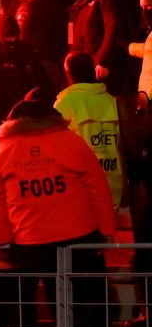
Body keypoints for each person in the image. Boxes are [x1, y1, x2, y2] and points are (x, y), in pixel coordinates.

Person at [0, 100, 116, 327]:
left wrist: (3, 238)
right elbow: (98, 185)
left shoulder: (3, 150)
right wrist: (106, 231)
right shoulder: (72, 142)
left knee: (22, 311)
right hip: (75, 238)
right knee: (69, 310)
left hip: (27, 241)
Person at [55, 51, 127, 209]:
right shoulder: (111, 101)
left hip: (80, 191)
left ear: (68, 74)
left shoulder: (64, 105)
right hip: (113, 189)